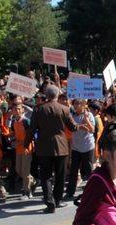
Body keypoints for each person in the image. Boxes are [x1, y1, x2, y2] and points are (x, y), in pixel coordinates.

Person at [25, 85, 79, 213]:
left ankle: (50, 202)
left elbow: (31, 129)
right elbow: (73, 127)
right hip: (61, 147)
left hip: (44, 147)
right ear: (57, 94)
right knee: (60, 176)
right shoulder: (65, 109)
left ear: (46, 95)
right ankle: (57, 199)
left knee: (46, 176)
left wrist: (26, 143)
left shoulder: (38, 109)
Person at [66, 99, 96, 199]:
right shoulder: (72, 115)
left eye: (79, 104)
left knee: (88, 170)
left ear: (83, 105)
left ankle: (93, 191)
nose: (77, 105)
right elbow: (70, 127)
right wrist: (80, 127)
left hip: (87, 146)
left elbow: (92, 130)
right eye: (75, 104)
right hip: (76, 147)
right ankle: (70, 192)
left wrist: (86, 120)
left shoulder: (89, 115)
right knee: (73, 170)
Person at [9, 103, 35, 200]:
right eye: (15, 109)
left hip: (26, 148)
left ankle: (27, 192)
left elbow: (30, 134)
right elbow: (14, 134)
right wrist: (13, 140)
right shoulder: (13, 122)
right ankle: (33, 180)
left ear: (23, 110)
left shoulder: (26, 121)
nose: (17, 111)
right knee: (18, 169)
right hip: (18, 149)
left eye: (19, 109)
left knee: (25, 171)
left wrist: (22, 142)